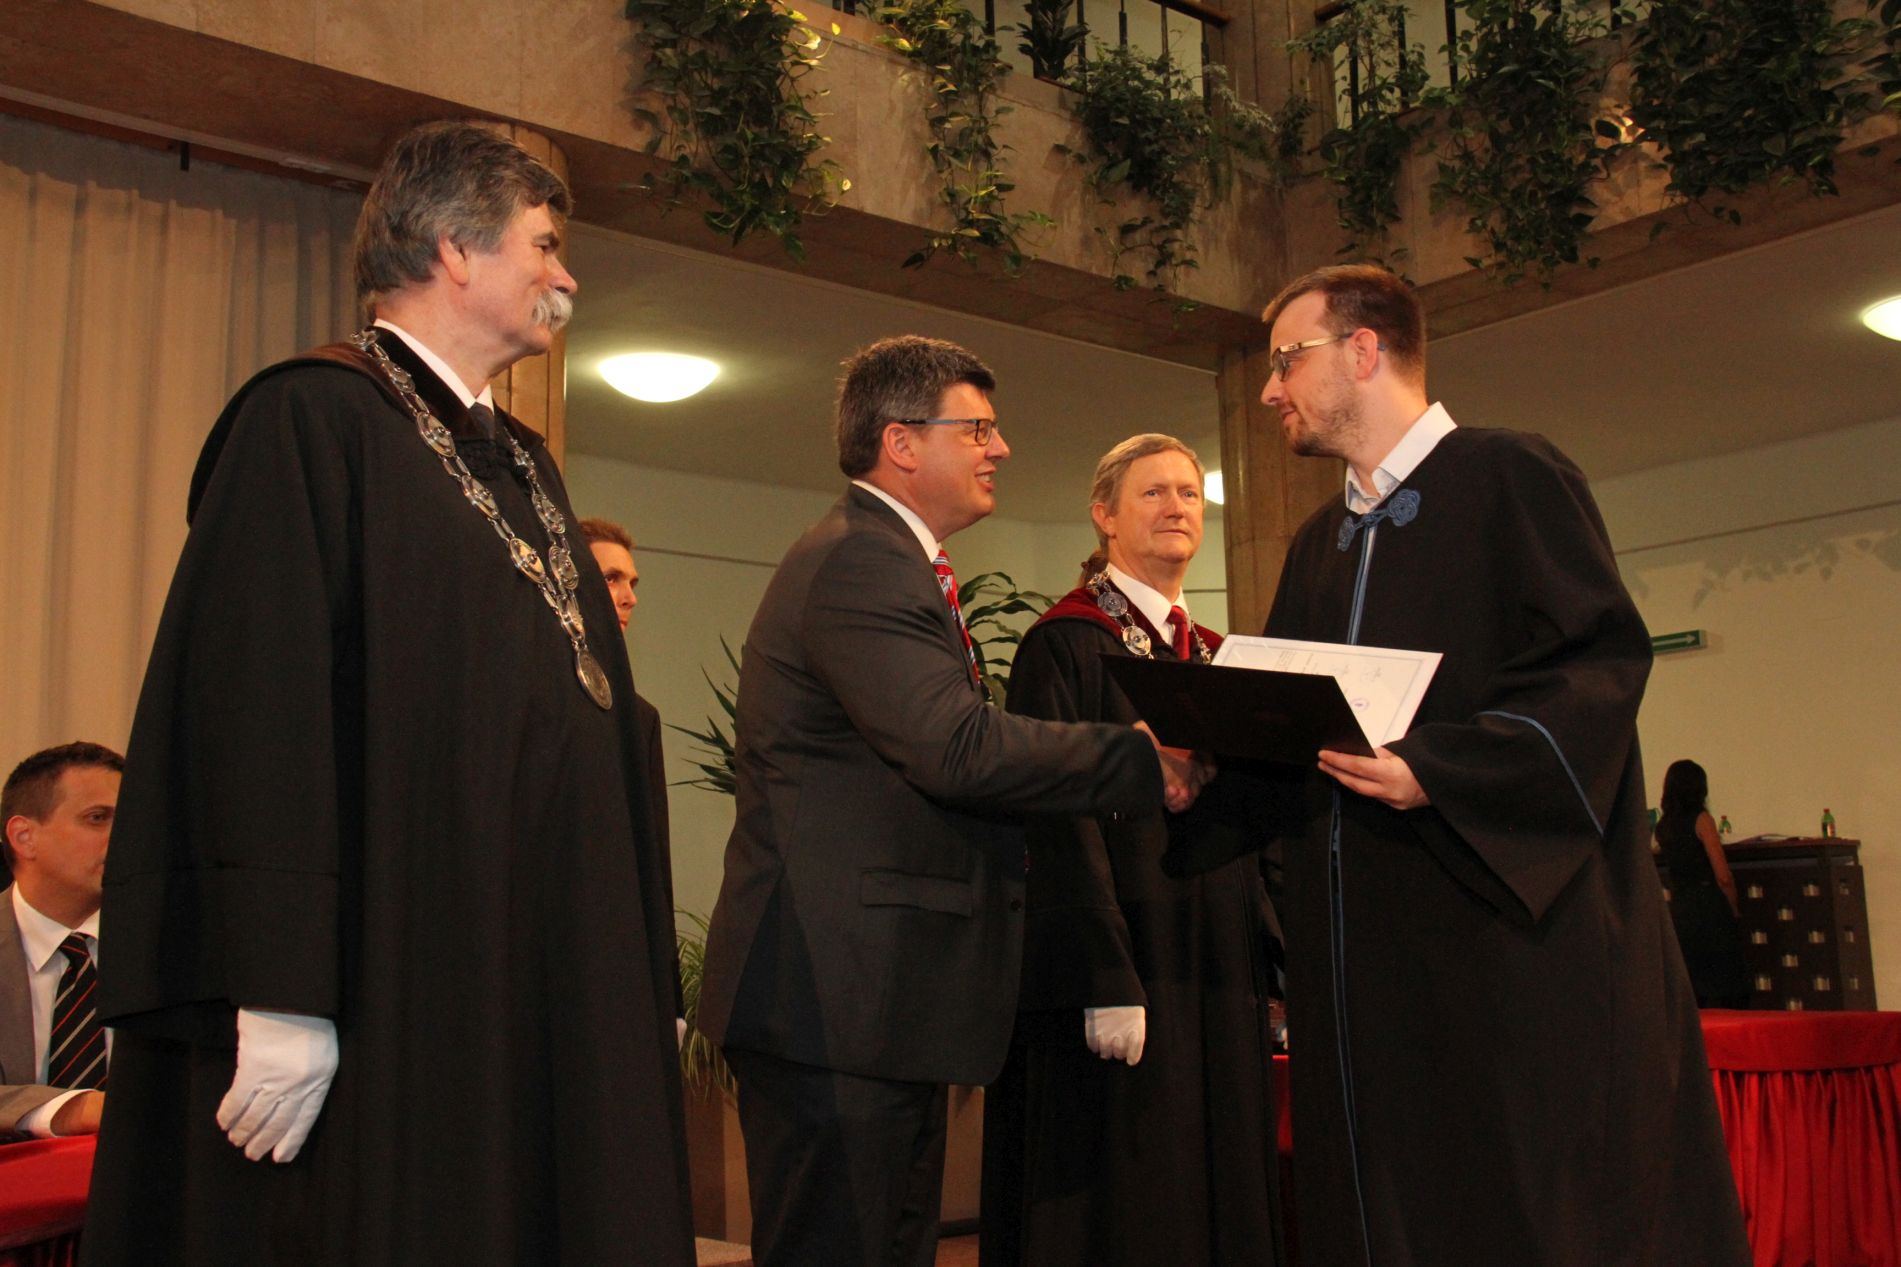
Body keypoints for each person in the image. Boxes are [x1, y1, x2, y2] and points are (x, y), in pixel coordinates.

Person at [81, 121, 692, 1266]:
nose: (564, 277)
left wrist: (629, 963)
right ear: (455, 249)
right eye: (543, 245)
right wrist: (278, 989)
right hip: (388, 975)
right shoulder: (309, 417)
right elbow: (253, 712)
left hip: (531, 968)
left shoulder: (524, 461)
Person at [1177, 264, 1748, 1265]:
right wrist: (1200, 767)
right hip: (1360, 969)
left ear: (1362, 349)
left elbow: (1593, 669)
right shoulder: (1317, 543)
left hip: (1498, 949)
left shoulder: (1509, 475)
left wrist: (1435, 768)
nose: (1267, 390)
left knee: (1511, 1204)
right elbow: (1290, 731)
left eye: (1285, 360)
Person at [696, 335, 1202, 1267]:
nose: (998, 448)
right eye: (976, 429)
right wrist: (1137, 755)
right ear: (900, 442)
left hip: (874, 1001)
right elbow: (955, 747)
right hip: (834, 998)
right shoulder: (861, 559)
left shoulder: (892, 558)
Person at [978, 435, 1281, 1267]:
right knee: (1131, 1185)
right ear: (1104, 515)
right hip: (1126, 955)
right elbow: (1055, 816)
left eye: (1187, 491)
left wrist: (1268, 954)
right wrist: (1101, 974)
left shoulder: (1218, 655)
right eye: (1153, 492)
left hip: (1212, 963)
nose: (1177, 506)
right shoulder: (1065, 643)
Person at [579, 515, 684, 1032]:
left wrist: (670, 1002)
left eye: (633, 582)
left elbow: (653, 865)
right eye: (611, 578)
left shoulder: (638, 720)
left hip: (613, 954)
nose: (630, 598)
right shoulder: (517, 697)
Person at [2, 742, 121, 1140]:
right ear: (24, 837)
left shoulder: (178, 947)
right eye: (97, 818)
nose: (124, 836)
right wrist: (71, 1108)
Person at [1655, 759, 1749, 1008]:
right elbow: (1723, 875)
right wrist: (1733, 907)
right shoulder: (1702, 820)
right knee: (1723, 981)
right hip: (1708, 905)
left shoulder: (1663, 827)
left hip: (1681, 907)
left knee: (1694, 982)